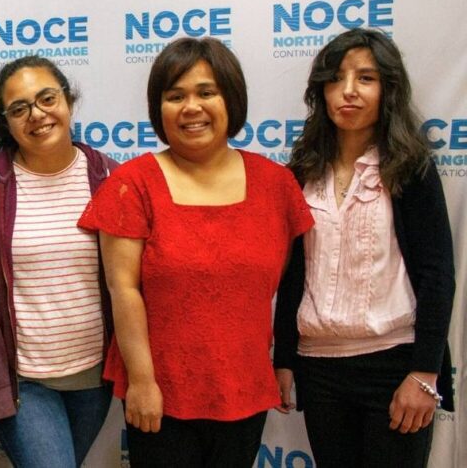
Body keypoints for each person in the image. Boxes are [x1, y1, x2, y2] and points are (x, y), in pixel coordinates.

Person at [77, 37, 314, 466]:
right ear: (158, 108)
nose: (191, 107)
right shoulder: (133, 184)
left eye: (206, 92)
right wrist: (143, 382)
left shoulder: (275, 185)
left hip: (244, 386)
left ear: (231, 99)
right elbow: (123, 290)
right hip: (161, 394)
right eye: (175, 96)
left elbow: (288, 284)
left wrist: (284, 363)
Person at [274, 28, 455, 467]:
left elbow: (436, 274)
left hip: (395, 367)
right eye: (336, 79)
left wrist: (425, 374)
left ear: (388, 89)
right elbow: (292, 271)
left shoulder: (410, 167)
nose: (348, 92)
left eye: (366, 79)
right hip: (319, 370)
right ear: (321, 91)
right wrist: (283, 358)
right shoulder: (302, 170)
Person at [0, 56, 115, 467]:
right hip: (24, 382)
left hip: (95, 375)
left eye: (47, 98)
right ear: (6, 122)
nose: (37, 114)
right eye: (19, 108)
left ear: (68, 101)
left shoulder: (109, 179)